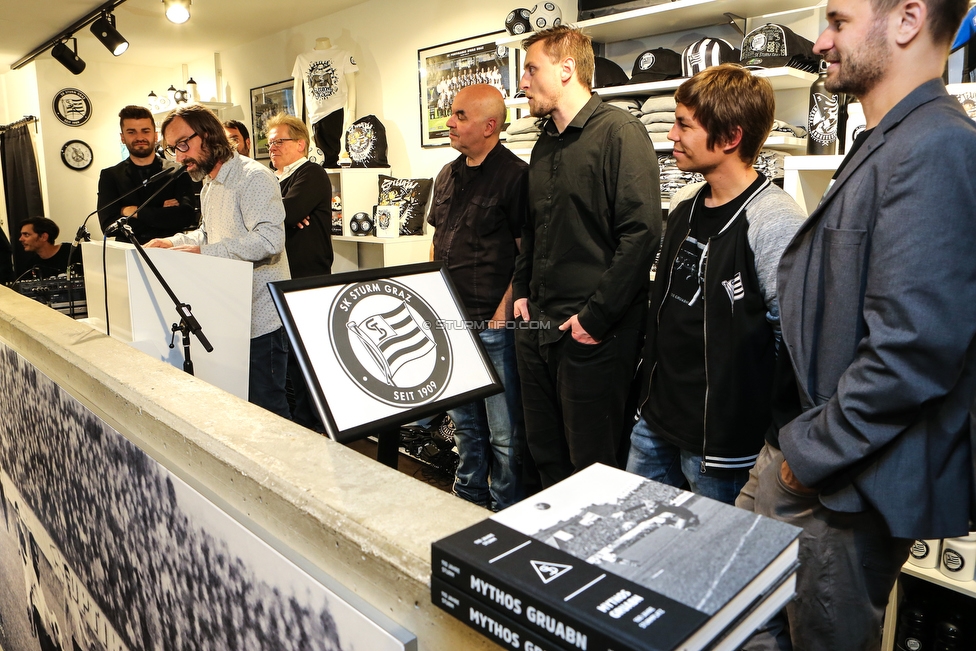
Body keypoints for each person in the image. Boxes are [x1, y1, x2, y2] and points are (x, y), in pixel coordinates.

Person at [737, 1, 976, 649]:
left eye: (838, 21)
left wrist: (804, 463)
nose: (820, 42)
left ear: (906, 19)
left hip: (836, 484)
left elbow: (913, 352)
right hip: (806, 456)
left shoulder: (938, 147)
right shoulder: (891, 139)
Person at [627, 64, 806, 505]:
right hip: (655, 420)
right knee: (630, 544)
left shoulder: (774, 221)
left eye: (684, 125)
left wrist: (779, 438)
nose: (671, 135)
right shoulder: (685, 203)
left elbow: (796, 341)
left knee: (712, 565)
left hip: (724, 444)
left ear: (729, 138)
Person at [511, 25, 662, 487]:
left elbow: (641, 236)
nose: (523, 82)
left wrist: (594, 319)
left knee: (594, 467)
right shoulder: (543, 143)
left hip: (593, 334)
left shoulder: (620, 132)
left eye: (531, 69)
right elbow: (533, 229)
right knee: (545, 454)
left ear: (566, 69)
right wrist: (521, 293)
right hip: (537, 327)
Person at [146, 105, 292, 419]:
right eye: (172, 149)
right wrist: (172, 242)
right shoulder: (210, 184)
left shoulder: (252, 178)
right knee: (241, 410)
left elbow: (269, 241)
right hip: (230, 316)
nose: (179, 156)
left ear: (209, 135)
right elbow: (208, 234)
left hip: (260, 322)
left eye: (183, 144)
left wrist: (204, 253)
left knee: (270, 413)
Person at [427, 84, 528, 510]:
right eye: (451, 114)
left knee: (504, 432)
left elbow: (527, 254)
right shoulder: (447, 175)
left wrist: (501, 316)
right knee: (465, 423)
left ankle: (505, 507)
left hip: (492, 324)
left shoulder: (517, 177)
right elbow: (437, 239)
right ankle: (468, 495)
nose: (449, 122)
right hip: (451, 323)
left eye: (460, 116)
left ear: (490, 126)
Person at [265, 112, 334, 431]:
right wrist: (284, 216)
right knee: (289, 358)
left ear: (301, 144)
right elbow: (280, 216)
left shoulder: (311, 173)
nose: (273, 147)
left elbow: (289, 213)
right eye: (270, 143)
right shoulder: (272, 179)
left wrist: (285, 215)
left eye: (280, 141)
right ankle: (300, 424)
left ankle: (318, 426)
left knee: (309, 359)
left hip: (307, 280)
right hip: (279, 280)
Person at [97, 105, 200, 244]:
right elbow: (108, 226)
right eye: (131, 132)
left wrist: (132, 211)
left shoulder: (178, 171)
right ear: (122, 137)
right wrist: (161, 214)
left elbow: (185, 217)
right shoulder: (110, 176)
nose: (140, 137)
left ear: (155, 135)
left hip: (171, 251)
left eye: (145, 131)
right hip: (129, 253)